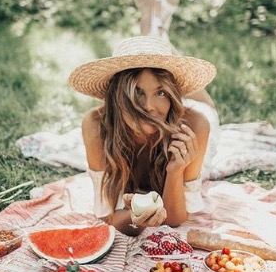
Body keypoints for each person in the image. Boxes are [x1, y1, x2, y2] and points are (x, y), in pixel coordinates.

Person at [68, 36, 219, 236]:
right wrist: (134, 217)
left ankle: (161, 36)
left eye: (161, 93)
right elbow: (107, 215)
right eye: (137, 92)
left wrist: (176, 170)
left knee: (209, 108)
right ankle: (157, 33)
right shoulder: (95, 125)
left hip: (196, 115)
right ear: (116, 97)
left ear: (173, 97)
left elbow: (176, 218)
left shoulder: (196, 126)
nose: (147, 106)